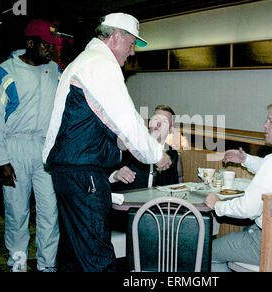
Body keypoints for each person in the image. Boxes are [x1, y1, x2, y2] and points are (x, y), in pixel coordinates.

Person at [42, 13, 172, 272]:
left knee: (73, 254)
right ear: (115, 37)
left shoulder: (84, 61)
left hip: (69, 170)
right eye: (131, 44)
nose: (132, 52)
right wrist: (156, 153)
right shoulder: (100, 64)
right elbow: (125, 119)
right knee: (96, 255)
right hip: (83, 172)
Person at [0, 19, 62, 272]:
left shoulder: (56, 71)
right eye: (47, 45)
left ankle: (47, 266)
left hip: (45, 150)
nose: (52, 50)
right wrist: (1, 161)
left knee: (50, 214)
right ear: (30, 43)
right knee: (17, 215)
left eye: (54, 46)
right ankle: (17, 265)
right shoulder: (4, 72)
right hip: (14, 148)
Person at [204, 102, 272, 272]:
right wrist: (246, 160)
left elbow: (249, 209)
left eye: (270, 121)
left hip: (265, 241)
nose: (265, 125)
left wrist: (217, 205)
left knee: (205, 254)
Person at [109, 105, 179, 191]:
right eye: (156, 119)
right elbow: (105, 175)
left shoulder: (172, 154)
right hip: (128, 201)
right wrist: (116, 175)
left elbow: (174, 188)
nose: (158, 124)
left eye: (164, 122)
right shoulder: (130, 144)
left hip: (158, 203)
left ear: (171, 130)